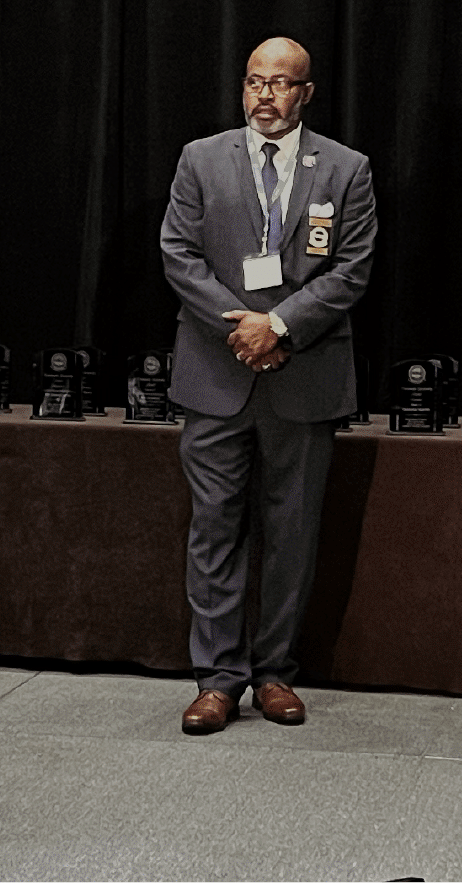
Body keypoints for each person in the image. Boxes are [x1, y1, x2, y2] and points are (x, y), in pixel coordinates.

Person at [158, 37, 376, 735]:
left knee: (292, 532)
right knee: (214, 530)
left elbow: (351, 268)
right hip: (216, 374)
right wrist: (242, 328)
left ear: (305, 93)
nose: (265, 95)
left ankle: (275, 672)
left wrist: (278, 325)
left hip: (303, 376)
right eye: (255, 81)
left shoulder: (345, 168)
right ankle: (217, 679)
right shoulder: (200, 158)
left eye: (281, 84)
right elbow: (178, 253)